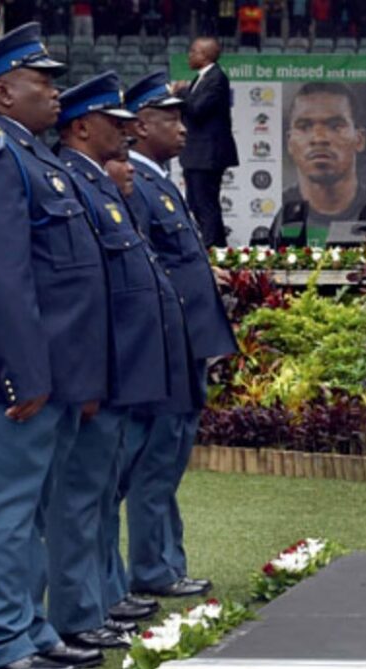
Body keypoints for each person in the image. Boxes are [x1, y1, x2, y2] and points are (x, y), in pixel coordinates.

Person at [50, 70, 185, 654]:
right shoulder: (76, 182)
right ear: (83, 128)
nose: (127, 136)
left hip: (117, 367)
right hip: (90, 369)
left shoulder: (96, 184)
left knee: (101, 494)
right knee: (77, 501)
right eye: (116, 124)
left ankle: (100, 600)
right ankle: (75, 612)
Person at [0, 22, 110, 669]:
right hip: (19, 383)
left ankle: (30, 629)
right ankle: (2, 639)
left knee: (33, 512)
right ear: (3, 93)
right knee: (6, 515)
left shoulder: (34, 155)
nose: (54, 92)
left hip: (56, 378)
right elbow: (3, 273)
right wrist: (25, 375)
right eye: (43, 81)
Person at [107, 71, 238, 607]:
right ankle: (152, 568)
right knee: (154, 463)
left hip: (185, 342)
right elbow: (141, 261)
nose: (184, 130)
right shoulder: (131, 182)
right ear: (140, 126)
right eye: (171, 119)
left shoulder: (157, 177)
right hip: (163, 344)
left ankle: (163, 563)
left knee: (169, 458)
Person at [275, 82, 366, 246]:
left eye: (335, 126)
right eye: (304, 126)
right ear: (290, 143)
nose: (319, 139)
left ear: (359, 139)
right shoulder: (278, 212)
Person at [172, 37, 239, 248]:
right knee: (197, 204)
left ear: (205, 55)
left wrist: (181, 93)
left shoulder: (216, 78)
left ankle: (211, 249)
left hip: (207, 155)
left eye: (193, 51)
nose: (189, 56)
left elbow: (198, 110)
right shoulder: (202, 78)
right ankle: (214, 245)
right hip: (196, 154)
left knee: (205, 204)